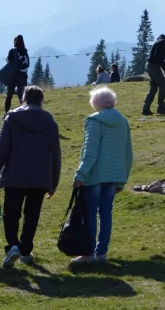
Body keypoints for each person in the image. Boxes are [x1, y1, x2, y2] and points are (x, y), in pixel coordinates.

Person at [0, 86, 61, 268]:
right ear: (41, 101)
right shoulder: (49, 122)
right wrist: (53, 183)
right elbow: (56, 153)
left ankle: (13, 246)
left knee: (11, 213)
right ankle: (26, 250)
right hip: (40, 177)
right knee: (32, 214)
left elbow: (2, 148)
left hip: (14, 174)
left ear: (23, 99)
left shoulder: (12, 118)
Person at [72, 86, 133, 264]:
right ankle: (102, 253)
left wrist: (80, 174)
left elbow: (90, 152)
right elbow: (128, 153)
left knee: (91, 212)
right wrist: (123, 178)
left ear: (96, 103)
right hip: (114, 176)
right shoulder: (123, 122)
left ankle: (89, 253)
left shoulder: (94, 121)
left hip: (95, 175)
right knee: (106, 212)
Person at [142, 31, 165, 116]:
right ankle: (161, 107)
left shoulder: (161, 41)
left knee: (154, 87)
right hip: (154, 66)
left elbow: (159, 58)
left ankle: (146, 108)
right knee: (163, 86)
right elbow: (157, 58)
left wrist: (164, 69)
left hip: (150, 65)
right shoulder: (162, 43)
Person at [3, 35, 31, 114]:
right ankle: (26, 114)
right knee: (22, 97)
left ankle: (6, 114)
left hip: (14, 76)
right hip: (23, 77)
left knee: (9, 96)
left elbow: (9, 62)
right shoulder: (25, 51)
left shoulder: (13, 51)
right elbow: (28, 64)